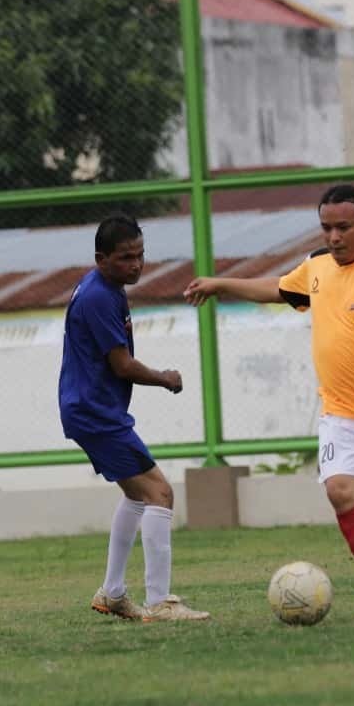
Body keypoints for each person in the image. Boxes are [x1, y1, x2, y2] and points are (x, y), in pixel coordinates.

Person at [184, 183, 354, 621]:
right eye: (326, 228)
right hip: (341, 410)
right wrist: (221, 283)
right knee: (340, 492)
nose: (334, 237)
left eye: (344, 227)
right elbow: (281, 289)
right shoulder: (318, 265)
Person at [61, 213, 209, 623]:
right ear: (101, 257)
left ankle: (112, 594)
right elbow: (122, 365)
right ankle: (160, 603)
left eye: (140, 255)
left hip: (91, 409)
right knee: (160, 493)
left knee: (136, 496)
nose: (136, 265)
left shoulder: (108, 288)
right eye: (126, 257)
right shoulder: (98, 297)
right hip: (94, 413)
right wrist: (165, 378)